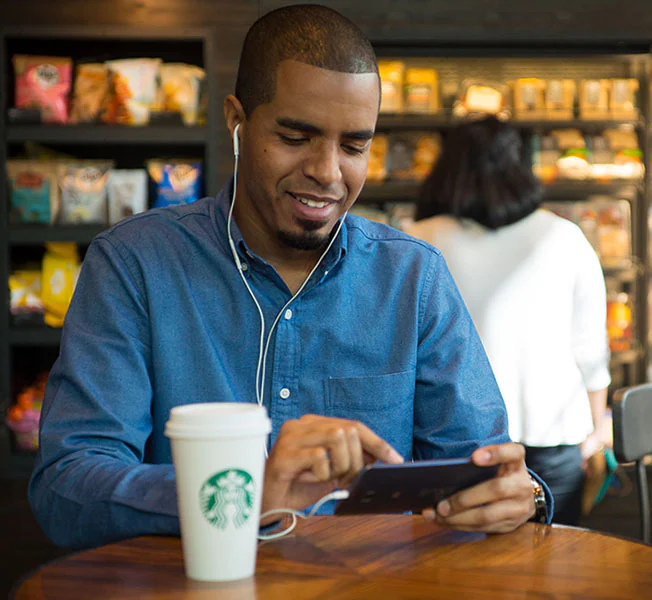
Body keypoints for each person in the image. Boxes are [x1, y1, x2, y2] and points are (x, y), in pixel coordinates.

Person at [28, 5, 552, 550]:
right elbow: (67, 488)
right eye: (296, 137)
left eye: (354, 146)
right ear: (236, 121)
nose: (328, 172)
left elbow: (484, 469)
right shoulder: (135, 264)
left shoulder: (413, 277)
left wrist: (519, 496)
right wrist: (243, 494)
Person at [406, 117, 610, 525]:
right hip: (555, 439)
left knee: (463, 574)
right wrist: (596, 432)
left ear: (447, 168)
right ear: (520, 167)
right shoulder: (565, 237)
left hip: (457, 444)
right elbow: (590, 351)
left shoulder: (417, 240)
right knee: (555, 568)